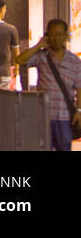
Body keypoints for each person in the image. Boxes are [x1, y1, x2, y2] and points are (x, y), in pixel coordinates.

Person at [15, 19, 81, 151]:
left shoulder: (74, 61)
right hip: (43, 115)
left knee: (64, 148)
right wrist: (38, 46)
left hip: (64, 116)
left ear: (66, 36)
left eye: (59, 34)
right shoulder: (41, 56)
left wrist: (79, 111)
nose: (56, 38)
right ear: (47, 36)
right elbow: (19, 60)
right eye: (52, 34)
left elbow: (80, 88)